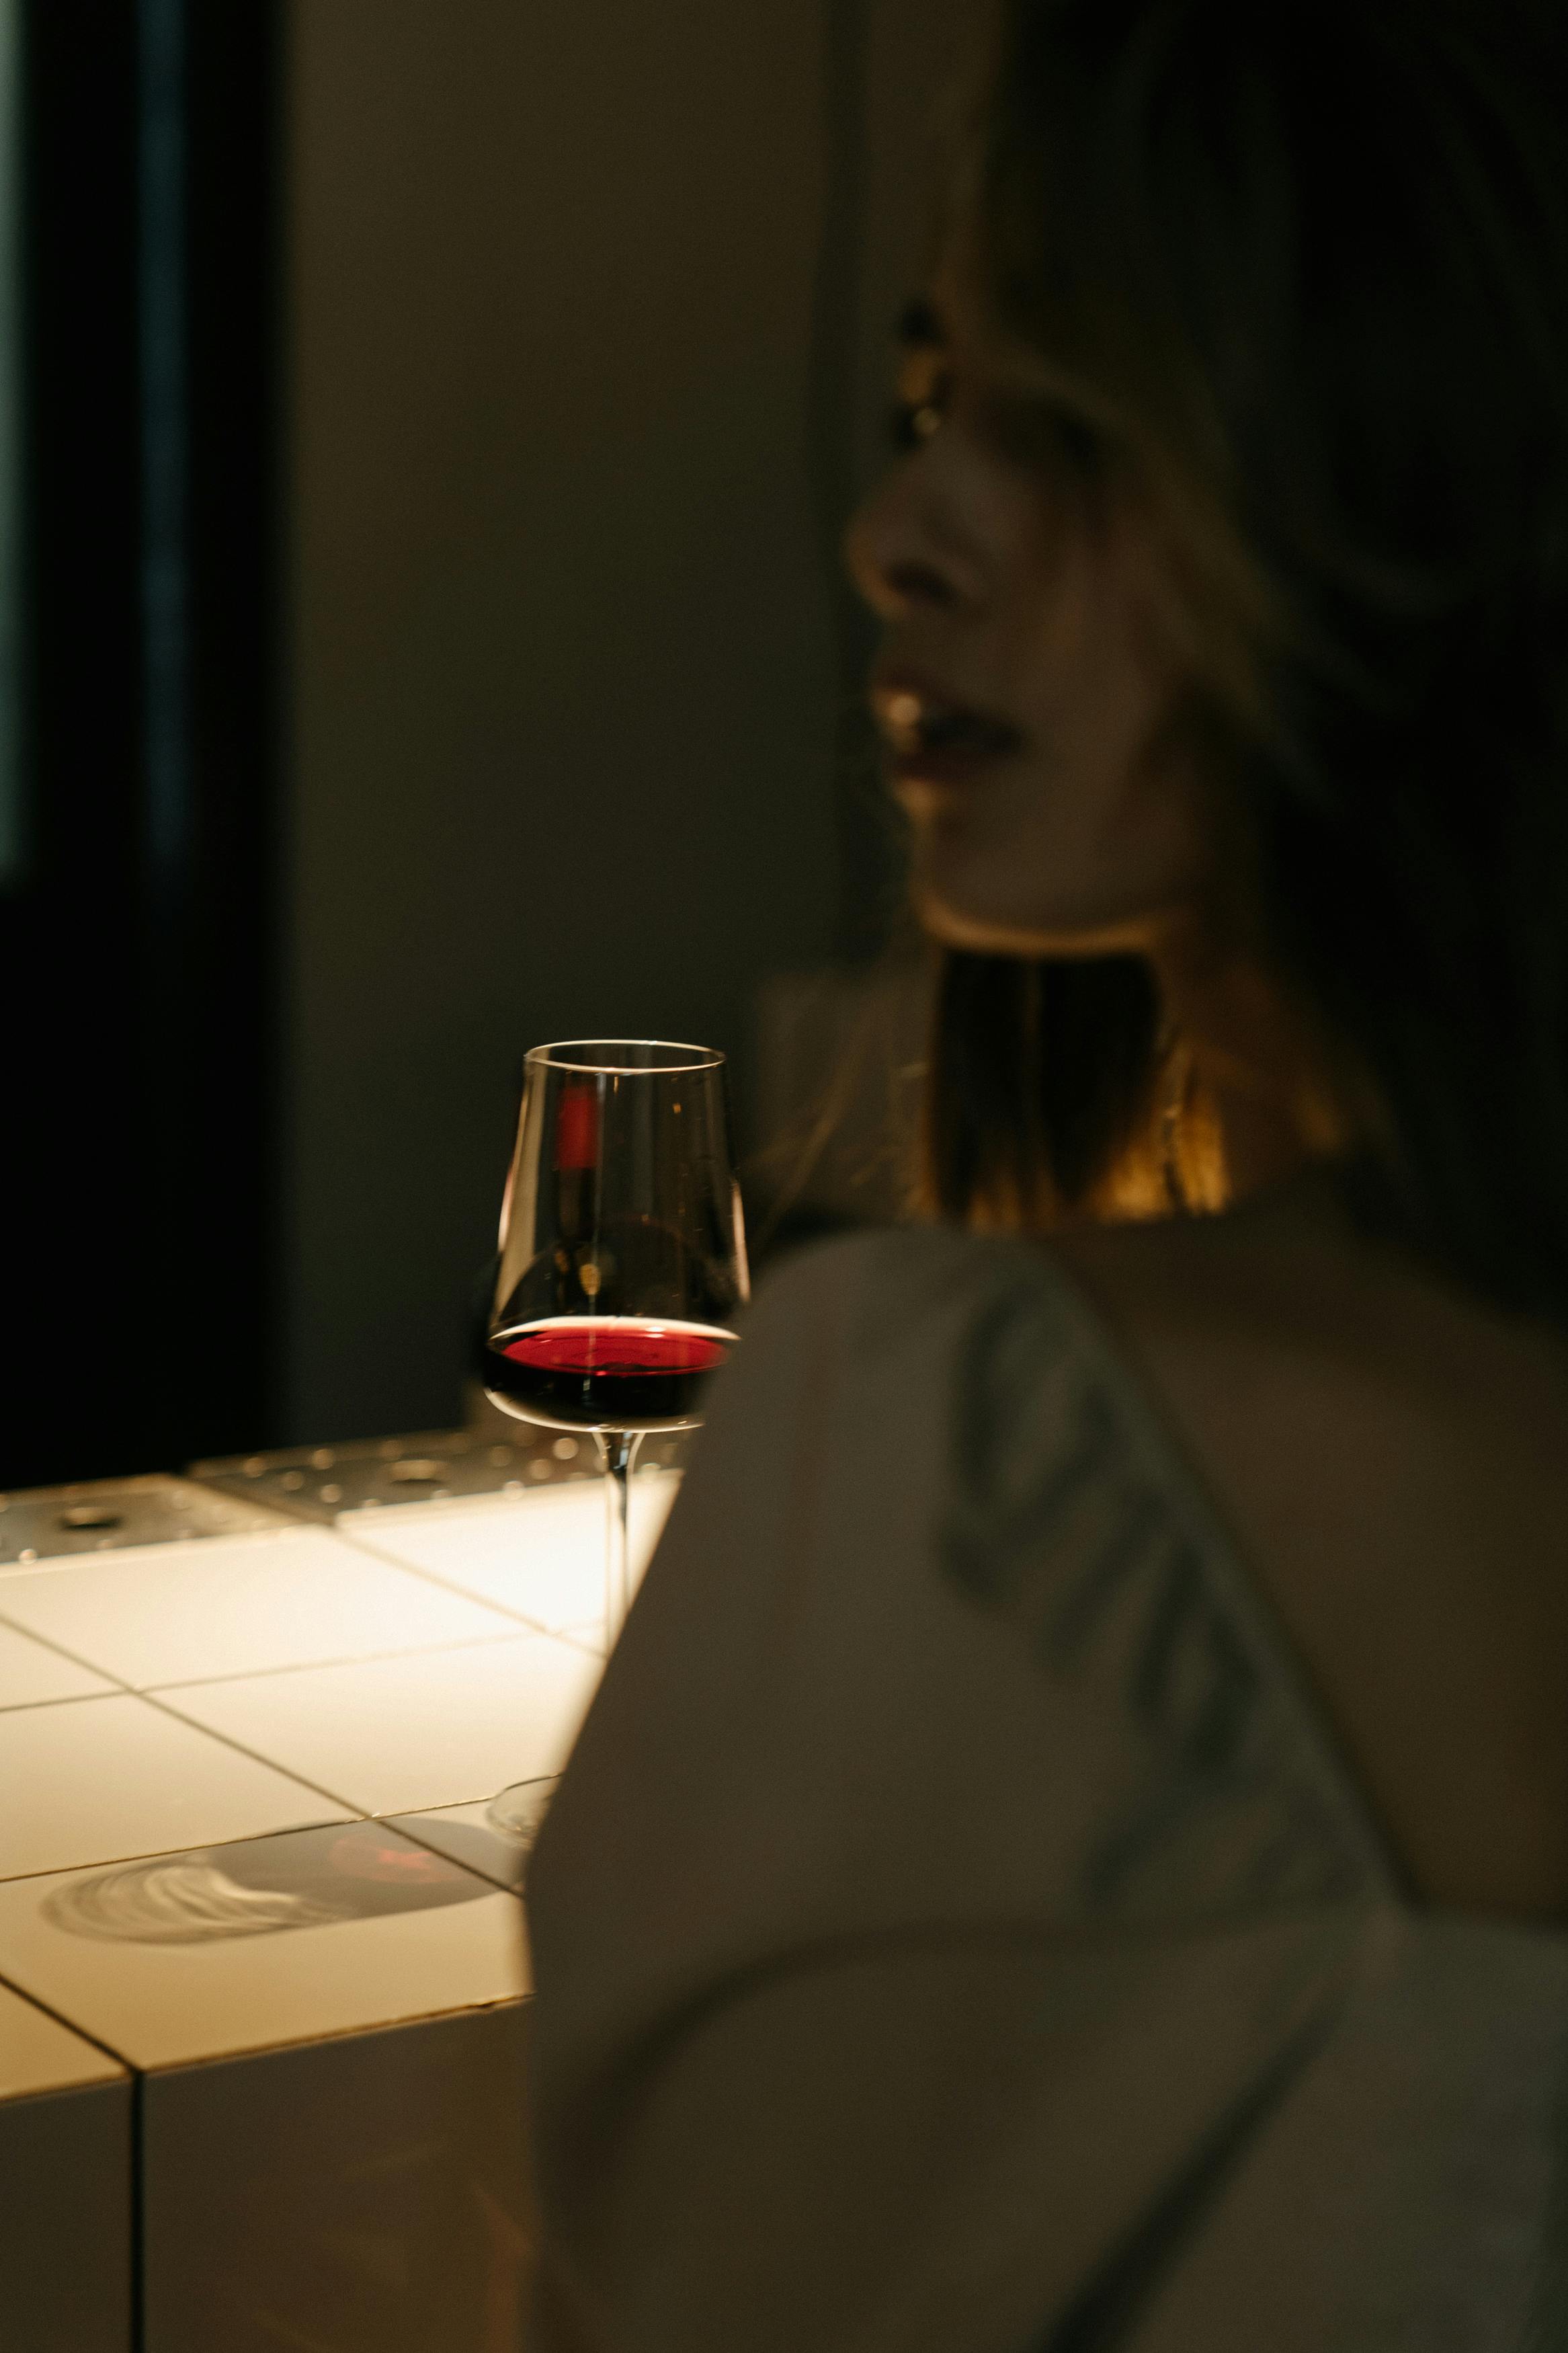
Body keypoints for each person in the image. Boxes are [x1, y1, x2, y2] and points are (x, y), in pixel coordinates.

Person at [524, 1, 1568, 2342]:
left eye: (1073, 434)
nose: (901, 534)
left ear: (1415, 502)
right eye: (931, 409)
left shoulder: (981, 1438)